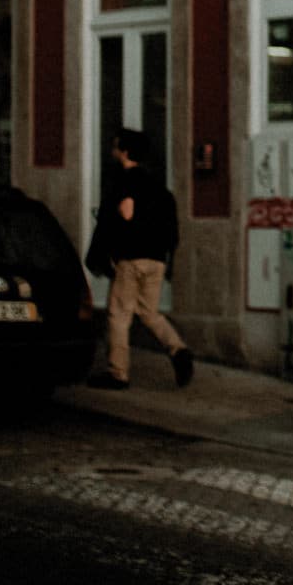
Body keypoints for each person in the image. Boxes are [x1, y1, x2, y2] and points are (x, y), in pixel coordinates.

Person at [85, 129, 192, 391]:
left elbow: (126, 212)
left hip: (131, 257)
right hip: (157, 259)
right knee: (149, 312)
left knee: (119, 315)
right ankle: (178, 349)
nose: (113, 150)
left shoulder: (125, 181)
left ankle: (118, 373)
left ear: (124, 151)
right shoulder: (160, 188)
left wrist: (108, 248)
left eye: (115, 146)